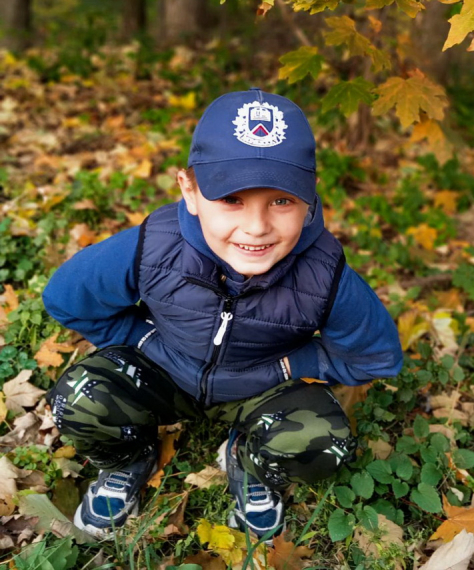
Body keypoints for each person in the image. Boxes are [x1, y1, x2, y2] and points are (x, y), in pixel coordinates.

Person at [42, 88, 403, 541]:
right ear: (189, 191)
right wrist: (143, 340)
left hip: (261, 390)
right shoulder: (157, 245)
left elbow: (377, 358)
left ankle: (248, 461)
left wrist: (288, 366)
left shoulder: (323, 272)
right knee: (80, 394)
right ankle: (130, 459)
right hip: (164, 371)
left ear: (309, 199)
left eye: (281, 201)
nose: (256, 227)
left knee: (323, 439)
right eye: (232, 199)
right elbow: (66, 297)